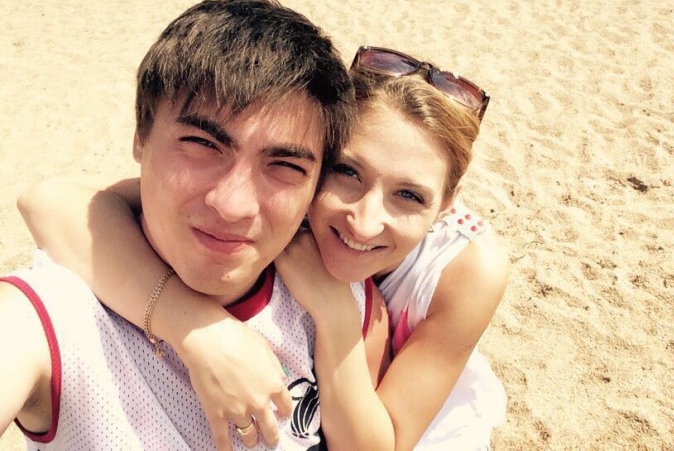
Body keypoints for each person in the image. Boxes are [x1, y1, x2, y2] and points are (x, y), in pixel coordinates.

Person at [19, 47, 510, 449]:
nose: (364, 222)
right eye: (346, 171)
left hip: (424, 424)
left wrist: (337, 319)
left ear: (445, 205)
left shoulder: (467, 268)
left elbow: (387, 442)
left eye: (410, 196)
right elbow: (49, 201)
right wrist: (195, 327)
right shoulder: (279, 203)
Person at [0, 0, 391, 451]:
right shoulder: (54, 316)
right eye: (203, 144)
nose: (233, 205)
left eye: (285, 165)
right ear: (141, 137)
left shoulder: (331, 293)